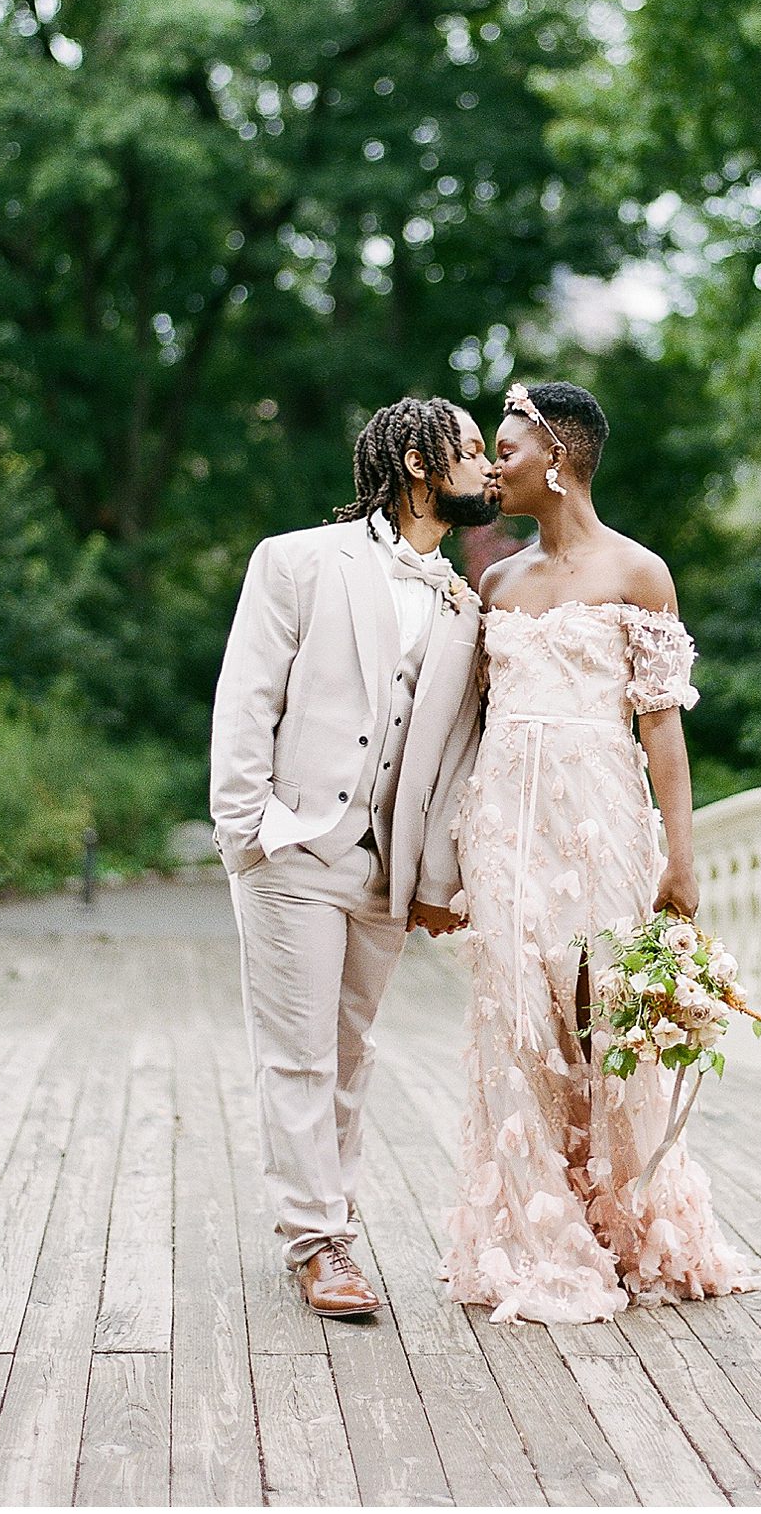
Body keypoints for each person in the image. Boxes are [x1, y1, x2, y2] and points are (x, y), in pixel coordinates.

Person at [440, 379, 757, 1322]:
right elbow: (465, 723)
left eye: (508, 445)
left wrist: (682, 858)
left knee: (602, 1014)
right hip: (505, 825)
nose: (496, 461)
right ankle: (542, 1234)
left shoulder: (639, 574)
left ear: (561, 457)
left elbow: (662, 728)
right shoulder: (493, 582)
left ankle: (627, 1219)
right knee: (516, 1017)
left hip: (603, 821)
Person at [211, 396, 498, 1317]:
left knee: (348, 1048)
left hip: (387, 866)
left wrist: (436, 875)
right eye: (472, 452)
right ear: (418, 462)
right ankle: (319, 1239)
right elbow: (247, 698)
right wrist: (245, 834)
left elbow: (455, 750)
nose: (489, 469)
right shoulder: (296, 560)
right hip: (294, 846)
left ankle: (327, 1213)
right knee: (296, 1053)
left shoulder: (462, 601)